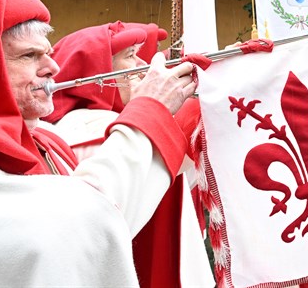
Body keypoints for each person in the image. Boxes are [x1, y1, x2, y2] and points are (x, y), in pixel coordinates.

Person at [0, 0, 197, 286]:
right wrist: (150, 110)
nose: (53, 67)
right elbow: (82, 223)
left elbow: (109, 227)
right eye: (29, 56)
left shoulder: (49, 141)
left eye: (48, 53)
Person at [39, 21, 214, 287]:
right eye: (129, 56)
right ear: (97, 72)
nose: (139, 67)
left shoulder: (107, 120)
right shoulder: (81, 126)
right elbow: (169, 155)